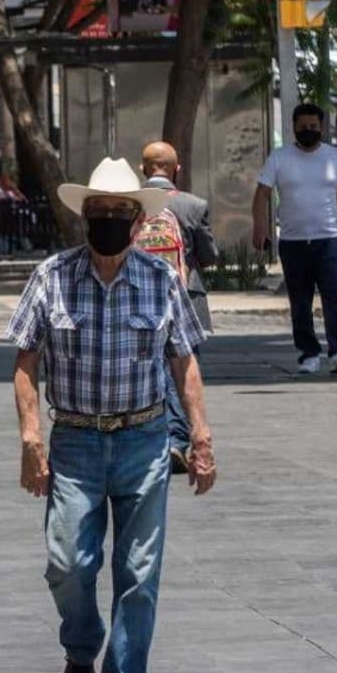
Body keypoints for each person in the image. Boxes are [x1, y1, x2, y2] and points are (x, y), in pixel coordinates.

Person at [6, 157, 216, 673]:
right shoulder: (51, 276)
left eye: (117, 213)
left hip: (144, 440)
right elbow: (25, 364)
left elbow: (185, 362)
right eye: (96, 211)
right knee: (69, 562)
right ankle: (81, 644)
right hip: (74, 439)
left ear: (135, 220)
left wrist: (200, 435)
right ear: (84, 216)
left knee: (139, 572)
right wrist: (30, 438)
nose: (106, 220)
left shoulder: (159, 279)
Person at [252, 102, 337, 375]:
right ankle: (308, 354)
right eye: (303, 127)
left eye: (313, 126)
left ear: (321, 127)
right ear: (294, 128)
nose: (308, 131)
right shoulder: (279, 158)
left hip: (329, 240)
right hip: (293, 242)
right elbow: (262, 193)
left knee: (333, 297)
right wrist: (260, 228)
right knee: (300, 301)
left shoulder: (335, 157)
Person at [140, 141, 219, 472]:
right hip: (187, 298)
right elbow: (209, 256)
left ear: (143, 169)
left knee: (149, 368)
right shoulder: (193, 205)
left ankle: (157, 438)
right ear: (177, 168)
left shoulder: (132, 205)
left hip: (142, 298)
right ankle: (177, 438)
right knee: (184, 369)